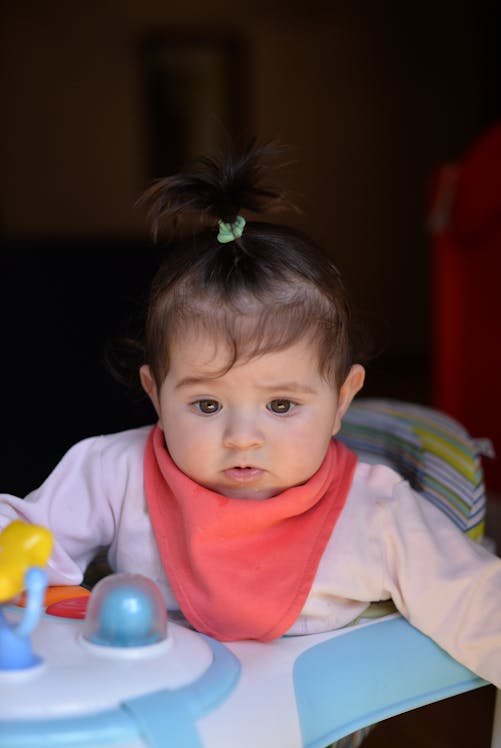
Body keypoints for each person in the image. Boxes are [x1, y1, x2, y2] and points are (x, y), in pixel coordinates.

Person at [0, 142, 500, 689]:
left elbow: (480, 610)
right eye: (207, 405)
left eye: (281, 405)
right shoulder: (112, 471)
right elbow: (23, 542)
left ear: (342, 399)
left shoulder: (378, 515)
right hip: (151, 713)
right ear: (155, 394)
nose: (242, 438)